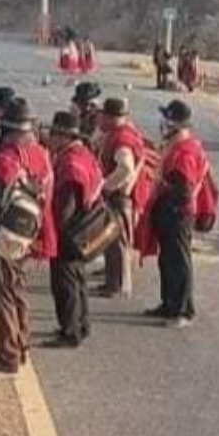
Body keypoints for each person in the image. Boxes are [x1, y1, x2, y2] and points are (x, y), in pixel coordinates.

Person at [0, 98, 56, 374]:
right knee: (16, 289)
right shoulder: (41, 154)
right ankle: (21, 341)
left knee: (0, 292)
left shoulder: (5, 160)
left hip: (1, 236)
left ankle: (7, 353)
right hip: (30, 233)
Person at [145, 100, 211, 328]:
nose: (162, 124)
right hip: (170, 211)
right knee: (167, 259)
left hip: (178, 214)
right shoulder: (177, 146)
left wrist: (168, 205)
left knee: (179, 261)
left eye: (167, 119)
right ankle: (169, 303)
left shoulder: (185, 152)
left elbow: (184, 189)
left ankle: (182, 310)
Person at [46, 112, 104, 349]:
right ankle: (81, 324)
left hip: (71, 230)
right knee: (78, 279)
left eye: (52, 134)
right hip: (85, 227)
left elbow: (66, 207)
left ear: (63, 136)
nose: (49, 138)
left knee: (65, 282)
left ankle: (70, 330)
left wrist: (55, 233)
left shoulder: (70, 164)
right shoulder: (84, 155)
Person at [96, 98, 150, 300]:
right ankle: (113, 280)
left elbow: (125, 168)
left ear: (110, 117)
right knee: (114, 241)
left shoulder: (122, 140)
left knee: (117, 241)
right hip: (122, 195)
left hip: (120, 197)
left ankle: (117, 285)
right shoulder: (123, 134)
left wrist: (106, 186)